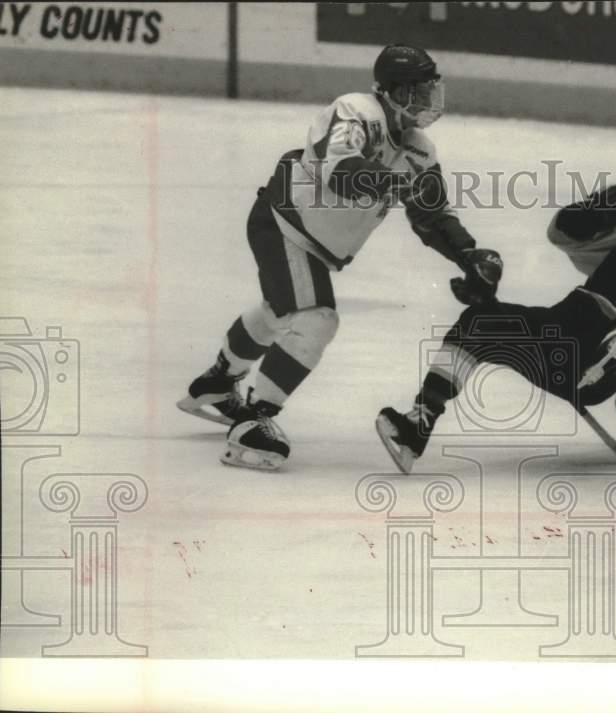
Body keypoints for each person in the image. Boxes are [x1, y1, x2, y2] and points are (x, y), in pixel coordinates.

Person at [177, 44, 503, 471]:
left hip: (308, 240)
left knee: (281, 312)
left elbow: (433, 218)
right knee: (315, 318)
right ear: (391, 91)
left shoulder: (421, 150)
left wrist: (469, 255)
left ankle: (216, 383)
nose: (428, 101)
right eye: (417, 92)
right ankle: (255, 421)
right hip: (283, 223)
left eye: (430, 91)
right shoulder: (356, 111)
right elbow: (342, 171)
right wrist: (400, 185)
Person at [376, 184, 616, 473]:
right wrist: (598, 210)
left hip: (587, 379)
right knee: (478, 324)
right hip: (557, 340)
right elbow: (561, 232)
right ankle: (417, 424)